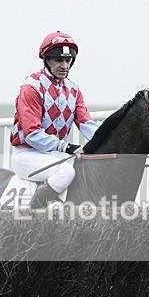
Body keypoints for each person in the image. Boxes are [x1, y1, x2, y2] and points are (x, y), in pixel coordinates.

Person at [10, 31, 99, 208]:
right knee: (65, 172)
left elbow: (85, 123)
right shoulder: (31, 86)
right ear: (46, 60)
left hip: (54, 154)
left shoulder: (73, 89)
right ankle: (33, 210)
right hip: (27, 154)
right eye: (59, 60)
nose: (64, 65)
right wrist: (66, 147)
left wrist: (107, 140)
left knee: (87, 168)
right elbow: (32, 134)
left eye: (68, 61)